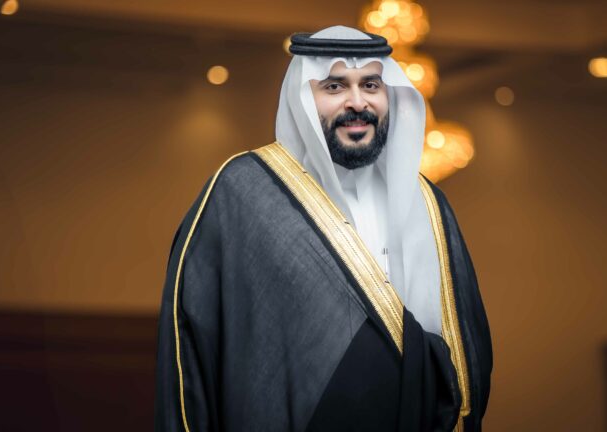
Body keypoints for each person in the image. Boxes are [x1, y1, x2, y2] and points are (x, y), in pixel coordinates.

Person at [155, 25, 492, 432]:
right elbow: (193, 343)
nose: (357, 102)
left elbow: (466, 344)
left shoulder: (427, 204)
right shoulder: (244, 192)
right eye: (334, 86)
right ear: (302, 99)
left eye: (371, 85)